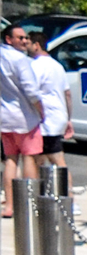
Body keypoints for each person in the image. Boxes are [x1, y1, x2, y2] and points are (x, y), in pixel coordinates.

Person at [16, 27, 71, 194]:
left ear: (37, 45)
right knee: (39, 158)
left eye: (29, 43)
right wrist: (69, 118)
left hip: (46, 119)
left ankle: (68, 195)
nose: (26, 46)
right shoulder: (58, 66)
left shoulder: (35, 66)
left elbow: (30, 92)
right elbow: (67, 94)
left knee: (55, 158)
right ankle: (41, 193)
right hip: (58, 116)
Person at [0, 25, 46, 214]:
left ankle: (10, 205)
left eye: (26, 38)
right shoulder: (21, 60)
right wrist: (41, 111)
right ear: (9, 39)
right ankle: (29, 204)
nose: (25, 41)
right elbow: (31, 91)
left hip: (5, 116)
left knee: (11, 160)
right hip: (24, 117)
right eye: (20, 38)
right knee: (29, 157)